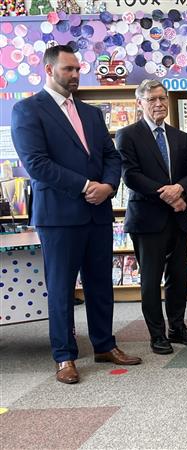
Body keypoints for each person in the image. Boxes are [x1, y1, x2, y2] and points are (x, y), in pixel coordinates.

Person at [10, 45, 141, 384]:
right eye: (68, 69)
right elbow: (36, 164)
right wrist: (86, 186)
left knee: (100, 285)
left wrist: (108, 187)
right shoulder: (27, 110)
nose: (75, 75)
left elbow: (112, 157)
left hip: (97, 212)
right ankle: (65, 356)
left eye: (77, 69)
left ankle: (104, 344)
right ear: (49, 69)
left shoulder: (92, 113)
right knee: (61, 288)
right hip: (59, 215)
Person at [116, 79, 187, 354]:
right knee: (151, 280)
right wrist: (164, 193)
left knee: (178, 276)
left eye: (162, 98)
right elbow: (130, 175)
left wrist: (180, 189)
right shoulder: (127, 135)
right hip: (147, 219)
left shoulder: (180, 137)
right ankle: (157, 334)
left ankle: (177, 327)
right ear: (139, 103)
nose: (159, 104)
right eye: (152, 99)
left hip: (177, 216)